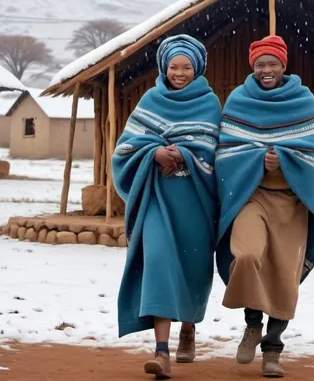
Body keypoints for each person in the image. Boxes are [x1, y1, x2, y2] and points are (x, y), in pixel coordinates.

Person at [215, 35, 314, 378]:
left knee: (284, 276)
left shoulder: (303, 99)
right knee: (248, 255)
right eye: (260, 64)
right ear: (253, 67)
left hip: (293, 202)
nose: (267, 70)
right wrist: (257, 161)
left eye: (272, 63)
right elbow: (226, 153)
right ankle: (252, 324)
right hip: (252, 197)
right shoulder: (239, 99)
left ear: (284, 65)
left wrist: (283, 159)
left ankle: (272, 349)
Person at [113, 34, 221, 379]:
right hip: (157, 199)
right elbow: (126, 149)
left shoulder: (210, 103)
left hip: (195, 202)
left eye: (186, 66)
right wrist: (154, 153)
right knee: (158, 262)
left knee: (191, 266)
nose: (179, 72)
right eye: (174, 66)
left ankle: (188, 327)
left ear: (196, 69)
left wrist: (186, 154)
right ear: (164, 68)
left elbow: (216, 153)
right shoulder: (150, 100)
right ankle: (161, 351)